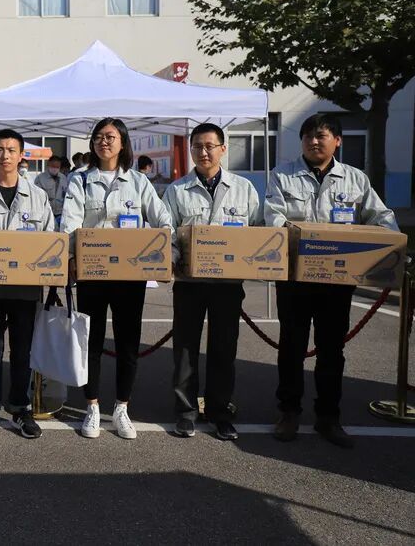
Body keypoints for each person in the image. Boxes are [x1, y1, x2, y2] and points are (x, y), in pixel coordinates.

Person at [265, 113, 398, 448]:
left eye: (321, 135)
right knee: (292, 347)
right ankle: (289, 412)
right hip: (294, 278)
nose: (313, 141)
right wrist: (302, 238)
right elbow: (273, 217)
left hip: (337, 280)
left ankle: (328, 416)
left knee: (332, 349)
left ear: (337, 141)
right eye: (308, 135)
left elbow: (380, 216)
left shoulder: (355, 179)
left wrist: (392, 245)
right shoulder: (283, 176)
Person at [61, 117, 173, 440]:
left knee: (128, 343)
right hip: (93, 274)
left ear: (123, 142)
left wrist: (162, 253)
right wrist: (71, 257)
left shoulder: (138, 182)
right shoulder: (80, 180)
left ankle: (122, 407)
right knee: (92, 342)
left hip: (130, 277)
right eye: (98, 137)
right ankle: (93, 407)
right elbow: (70, 222)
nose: (104, 142)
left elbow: (163, 221)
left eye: (110, 136)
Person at [162, 123, 261, 441]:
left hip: (228, 285)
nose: (203, 152)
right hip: (189, 283)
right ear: (191, 150)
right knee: (185, 349)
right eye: (197, 146)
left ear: (222, 149)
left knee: (223, 348)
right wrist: (171, 258)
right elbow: (168, 232)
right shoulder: (177, 190)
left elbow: (258, 230)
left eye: (209, 146)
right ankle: (186, 412)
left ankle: (220, 412)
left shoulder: (243, 189)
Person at [0, 128, 55, 439]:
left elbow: (50, 239)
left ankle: (20, 409)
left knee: (22, 352)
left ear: (20, 155)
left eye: (11, 150)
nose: (5, 155)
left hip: (26, 290)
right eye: (0, 149)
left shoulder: (38, 196)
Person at [34, 155, 67, 228]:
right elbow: (36, 197)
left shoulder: (63, 178)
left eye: (57, 167)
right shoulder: (40, 178)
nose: (55, 168)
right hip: (46, 213)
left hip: (60, 213)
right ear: (48, 165)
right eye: (53, 166)